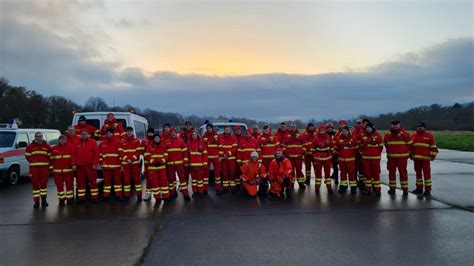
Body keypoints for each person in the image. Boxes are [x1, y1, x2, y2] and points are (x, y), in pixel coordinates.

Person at [384, 120, 412, 195]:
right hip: (391, 158)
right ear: (391, 125)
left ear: (399, 125)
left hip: (402, 158)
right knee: (391, 173)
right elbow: (386, 145)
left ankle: (405, 189)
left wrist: (408, 154)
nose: (395, 126)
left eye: (397, 124)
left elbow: (410, 145)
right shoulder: (387, 135)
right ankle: (392, 188)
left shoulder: (405, 134)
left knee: (403, 173)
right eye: (393, 124)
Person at [411, 122, 438, 196]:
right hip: (416, 160)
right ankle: (419, 189)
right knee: (418, 175)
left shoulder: (429, 136)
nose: (419, 128)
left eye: (421, 126)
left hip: (425, 160)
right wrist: (410, 155)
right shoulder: (413, 136)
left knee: (427, 175)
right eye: (418, 126)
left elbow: (434, 147)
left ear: (424, 128)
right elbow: (411, 147)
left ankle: (428, 190)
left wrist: (433, 156)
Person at [72, 130, 100, 203]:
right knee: (80, 183)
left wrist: (95, 164)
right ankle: (81, 198)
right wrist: (73, 164)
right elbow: (74, 155)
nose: (84, 135)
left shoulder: (93, 142)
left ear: (88, 134)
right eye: (82, 134)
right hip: (80, 167)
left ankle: (95, 197)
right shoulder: (77, 143)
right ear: (80, 135)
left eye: (85, 134)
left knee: (93, 182)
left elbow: (96, 154)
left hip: (90, 166)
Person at [25, 132, 51, 208]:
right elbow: (27, 156)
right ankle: (36, 202)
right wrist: (33, 161)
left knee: (44, 185)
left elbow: (50, 156)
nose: (39, 137)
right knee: (35, 186)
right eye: (38, 136)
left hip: (44, 169)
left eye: (41, 136)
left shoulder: (47, 146)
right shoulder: (30, 146)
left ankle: (44, 200)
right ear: (35, 137)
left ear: (42, 137)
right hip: (34, 169)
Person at [119, 126, 145, 202]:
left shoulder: (136, 141)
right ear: (126, 132)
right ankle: (127, 196)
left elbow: (138, 151)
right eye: (128, 131)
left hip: (135, 163)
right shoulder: (122, 141)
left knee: (137, 180)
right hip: (126, 164)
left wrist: (132, 159)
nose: (129, 132)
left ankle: (139, 196)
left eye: (130, 131)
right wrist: (127, 159)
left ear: (132, 132)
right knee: (126, 180)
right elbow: (120, 152)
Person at [359, 123, 383, 196]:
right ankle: (368, 189)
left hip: (375, 159)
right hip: (366, 159)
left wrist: (376, 154)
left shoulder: (378, 136)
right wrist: (363, 153)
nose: (368, 129)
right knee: (367, 174)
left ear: (372, 128)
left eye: (369, 127)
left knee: (376, 173)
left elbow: (380, 147)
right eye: (367, 128)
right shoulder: (363, 136)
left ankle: (377, 189)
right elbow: (361, 146)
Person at [166, 128, 190, 201]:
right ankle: (172, 193)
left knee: (182, 179)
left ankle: (186, 194)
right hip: (170, 165)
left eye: (174, 132)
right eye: (171, 132)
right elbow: (164, 153)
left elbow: (185, 153)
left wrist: (185, 162)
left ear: (176, 133)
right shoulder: (166, 141)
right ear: (170, 133)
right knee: (171, 180)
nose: (173, 133)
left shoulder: (181, 141)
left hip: (180, 164)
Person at [99, 128, 122, 201]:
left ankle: (118, 195)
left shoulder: (118, 143)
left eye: (110, 133)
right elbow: (99, 155)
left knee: (117, 182)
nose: (109, 134)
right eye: (108, 133)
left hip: (116, 167)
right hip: (106, 167)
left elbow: (121, 154)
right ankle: (106, 196)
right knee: (106, 183)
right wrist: (102, 163)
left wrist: (121, 164)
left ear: (113, 134)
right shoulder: (102, 143)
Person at [281, 122, 306, 189]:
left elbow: (304, 146)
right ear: (290, 127)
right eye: (292, 127)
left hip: (298, 157)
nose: (293, 128)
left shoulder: (300, 135)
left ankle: (301, 184)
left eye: (294, 126)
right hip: (290, 157)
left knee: (299, 170)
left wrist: (301, 152)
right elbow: (283, 146)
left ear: (296, 127)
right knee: (290, 171)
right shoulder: (286, 136)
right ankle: (291, 183)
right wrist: (286, 152)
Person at [50, 135, 74, 205]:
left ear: (66, 140)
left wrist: (73, 166)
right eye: (61, 140)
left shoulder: (70, 147)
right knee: (59, 186)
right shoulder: (54, 148)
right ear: (59, 140)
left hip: (68, 171)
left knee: (69, 185)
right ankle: (61, 200)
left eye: (64, 140)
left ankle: (69, 200)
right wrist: (51, 169)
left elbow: (73, 158)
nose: (63, 141)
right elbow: (51, 159)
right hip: (57, 171)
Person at [145, 134, 169, 203]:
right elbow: (147, 156)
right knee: (155, 184)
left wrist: (161, 162)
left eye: (158, 138)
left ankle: (166, 197)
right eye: (155, 138)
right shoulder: (149, 147)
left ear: (160, 139)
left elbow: (166, 156)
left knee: (164, 183)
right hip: (152, 168)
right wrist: (153, 162)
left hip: (162, 167)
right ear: (153, 139)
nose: (157, 139)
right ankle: (157, 198)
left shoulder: (163, 146)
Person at [335, 126, 358, 194]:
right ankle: (343, 187)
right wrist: (336, 157)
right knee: (343, 174)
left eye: (346, 131)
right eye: (343, 131)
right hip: (341, 160)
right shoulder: (339, 139)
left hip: (351, 160)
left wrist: (355, 158)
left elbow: (356, 149)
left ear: (348, 131)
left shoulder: (353, 139)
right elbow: (336, 148)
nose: (344, 132)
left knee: (352, 174)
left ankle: (353, 187)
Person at [312, 125, 334, 194]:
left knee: (327, 173)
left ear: (325, 130)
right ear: (319, 131)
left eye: (323, 130)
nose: (322, 132)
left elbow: (332, 147)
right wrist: (315, 156)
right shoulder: (316, 138)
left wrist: (332, 155)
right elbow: (312, 149)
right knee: (318, 174)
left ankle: (329, 187)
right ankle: (317, 187)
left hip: (327, 158)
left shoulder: (328, 137)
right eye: (321, 130)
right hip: (318, 158)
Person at [258, 125, 279, 195]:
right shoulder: (260, 138)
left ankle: (273, 189)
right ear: (263, 130)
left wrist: (277, 158)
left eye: (267, 129)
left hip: (272, 160)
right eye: (265, 129)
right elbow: (258, 149)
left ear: (269, 130)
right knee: (263, 174)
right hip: (264, 160)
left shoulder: (274, 137)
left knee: (272, 173)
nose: (266, 130)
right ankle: (263, 188)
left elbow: (277, 148)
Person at [187, 129, 208, 198]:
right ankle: (195, 192)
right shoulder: (189, 143)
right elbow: (186, 154)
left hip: (200, 165)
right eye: (193, 135)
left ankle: (201, 191)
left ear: (197, 135)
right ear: (191, 135)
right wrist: (187, 163)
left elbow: (205, 154)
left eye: (195, 134)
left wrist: (205, 164)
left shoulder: (201, 142)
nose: (194, 136)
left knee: (200, 180)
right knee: (194, 180)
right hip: (192, 165)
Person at [202, 123, 222, 193]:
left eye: (210, 128)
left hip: (216, 157)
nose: (209, 129)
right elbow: (202, 147)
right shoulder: (204, 136)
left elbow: (220, 146)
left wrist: (220, 156)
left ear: (212, 128)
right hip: (207, 157)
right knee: (205, 173)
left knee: (217, 174)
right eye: (207, 128)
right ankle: (205, 189)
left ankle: (218, 188)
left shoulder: (217, 136)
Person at [220, 125, 238, 194]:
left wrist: (227, 154)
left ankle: (232, 187)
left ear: (230, 130)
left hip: (231, 159)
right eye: (226, 129)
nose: (227, 131)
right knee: (224, 173)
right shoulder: (220, 138)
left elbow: (234, 148)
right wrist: (222, 155)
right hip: (223, 159)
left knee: (232, 173)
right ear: (224, 130)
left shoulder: (234, 138)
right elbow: (219, 148)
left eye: (228, 129)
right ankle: (225, 187)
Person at [142, 127, 156, 201]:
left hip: (156, 163)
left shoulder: (156, 139)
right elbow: (141, 150)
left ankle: (159, 194)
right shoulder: (144, 141)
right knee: (149, 179)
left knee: (158, 179)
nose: (150, 133)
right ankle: (148, 193)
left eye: (151, 132)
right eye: (149, 132)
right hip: (147, 163)